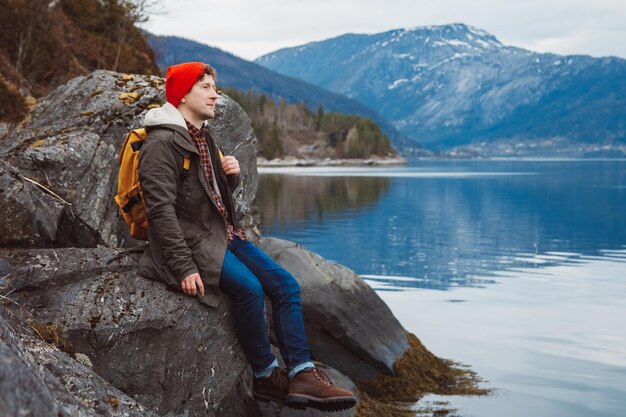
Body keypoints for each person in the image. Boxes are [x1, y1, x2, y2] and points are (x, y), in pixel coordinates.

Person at [136, 61, 356, 411]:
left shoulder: (203, 136)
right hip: (193, 243)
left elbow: (209, 197)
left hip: (223, 235)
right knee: (251, 289)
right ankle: (266, 376)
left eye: (214, 86)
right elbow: (160, 212)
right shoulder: (161, 144)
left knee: (286, 285)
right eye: (205, 87)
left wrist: (231, 177)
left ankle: (302, 373)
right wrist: (183, 267)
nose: (214, 94)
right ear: (182, 94)